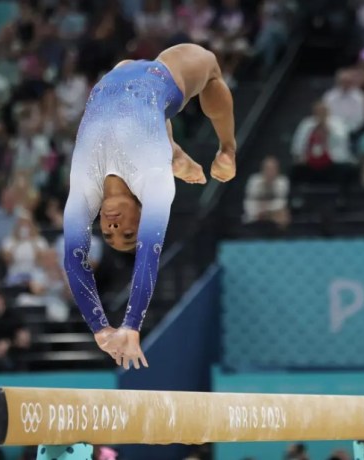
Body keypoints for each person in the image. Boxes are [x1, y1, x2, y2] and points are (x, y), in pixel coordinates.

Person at [63, 43, 236, 370]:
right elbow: (149, 254)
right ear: (141, 218)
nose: (114, 229)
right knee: (211, 65)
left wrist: (101, 329)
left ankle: (172, 148)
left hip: (116, 75)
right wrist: (130, 325)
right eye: (128, 233)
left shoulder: (84, 189)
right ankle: (228, 150)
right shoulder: (155, 185)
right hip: (161, 77)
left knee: (154, 124)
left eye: (110, 235)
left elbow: (74, 260)